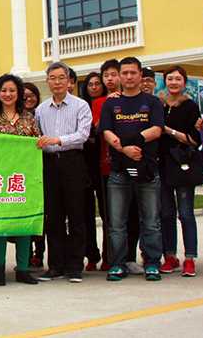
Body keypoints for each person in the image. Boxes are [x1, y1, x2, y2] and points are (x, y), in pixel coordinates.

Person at [99, 56, 164, 282]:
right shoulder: (111, 104)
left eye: (132, 72)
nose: (128, 77)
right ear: (119, 76)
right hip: (119, 171)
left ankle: (152, 263)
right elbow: (106, 132)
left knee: (151, 221)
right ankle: (118, 263)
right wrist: (124, 149)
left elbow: (157, 129)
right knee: (117, 223)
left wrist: (134, 142)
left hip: (147, 170)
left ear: (140, 75)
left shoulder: (152, 102)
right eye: (124, 73)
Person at [35, 63, 92, 283]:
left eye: (61, 78)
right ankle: (55, 266)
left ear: (69, 81)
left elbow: (83, 135)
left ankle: (75, 266)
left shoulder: (80, 105)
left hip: (73, 162)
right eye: (52, 78)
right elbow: (37, 136)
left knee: (76, 215)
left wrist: (58, 140)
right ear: (47, 81)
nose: (57, 82)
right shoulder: (41, 109)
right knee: (53, 217)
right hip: (49, 164)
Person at [0, 74, 41, 286]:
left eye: (12, 90)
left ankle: (23, 269)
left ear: (19, 94)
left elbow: (36, 144)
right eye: (4, 90)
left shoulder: (29, 118)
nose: (8, 94)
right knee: (0, 224)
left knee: (24, 223)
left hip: (24, 178)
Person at [158, 66, 203, 277]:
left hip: (183, 164)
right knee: (166, 213)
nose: (174, 82)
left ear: (184, 82)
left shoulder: (191, 106)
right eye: (170, 79)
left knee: (185, 214)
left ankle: (190, 258)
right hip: (162, 164)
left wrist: (168, 130)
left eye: (178, 79)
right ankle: (170, 256)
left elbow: (193, 139)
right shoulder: (158, 104)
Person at [91, 59, 120, 272]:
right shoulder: (99, 102)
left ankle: (127, 256)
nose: (110, 79)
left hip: (130, 162)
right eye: (106, 75)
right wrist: (108, 105)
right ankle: (109, 256)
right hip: (106, 165)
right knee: (108, 215)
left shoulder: (133, 100)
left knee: (130, 215)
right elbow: (97, 128)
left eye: (113, 74)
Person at [80, 72, 105, 272]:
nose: (94, 87)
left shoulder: (108, 104)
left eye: (98, 83)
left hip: (104, 165)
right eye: (91, 84)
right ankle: (91, 254)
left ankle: (110, 255)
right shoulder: (81, 107)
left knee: (108, 214)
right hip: (85, 166)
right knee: (86, 214)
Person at [23, 81, 47, 270]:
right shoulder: (16, 117)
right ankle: (27, 254)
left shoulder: (42, 114)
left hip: (40, 171)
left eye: (31, 95)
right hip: (19, 174)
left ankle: (39, 253)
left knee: (40, 215)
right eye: (24, 96)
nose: (28, 99)